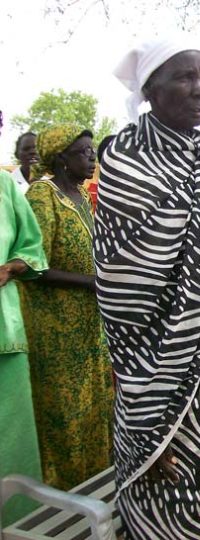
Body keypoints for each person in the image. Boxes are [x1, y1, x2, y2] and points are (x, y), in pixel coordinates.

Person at [94, 39, 200, 539]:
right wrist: (151, 413)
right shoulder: (126, 160)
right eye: (185, 77)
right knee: (165, 503)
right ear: (151, 88)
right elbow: (122, 294)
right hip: (157, 377)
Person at [19, 124, 113, 491]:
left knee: (94, 409)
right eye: (84, 152)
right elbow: (33, 265)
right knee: (66, 417)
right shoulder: (43, 196)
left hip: (88, 327)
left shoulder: (78, 195)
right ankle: (67, 502)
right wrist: (93, 283)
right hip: (57, 330)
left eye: (92, 151)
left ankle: (96, 492)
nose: (92, 158)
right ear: (61, 158)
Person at [0, 118, 47, 526]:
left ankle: (17, 525)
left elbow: (31, 247)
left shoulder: (4, 188)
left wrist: (11, 266)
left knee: (11, 440)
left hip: (5, 332)